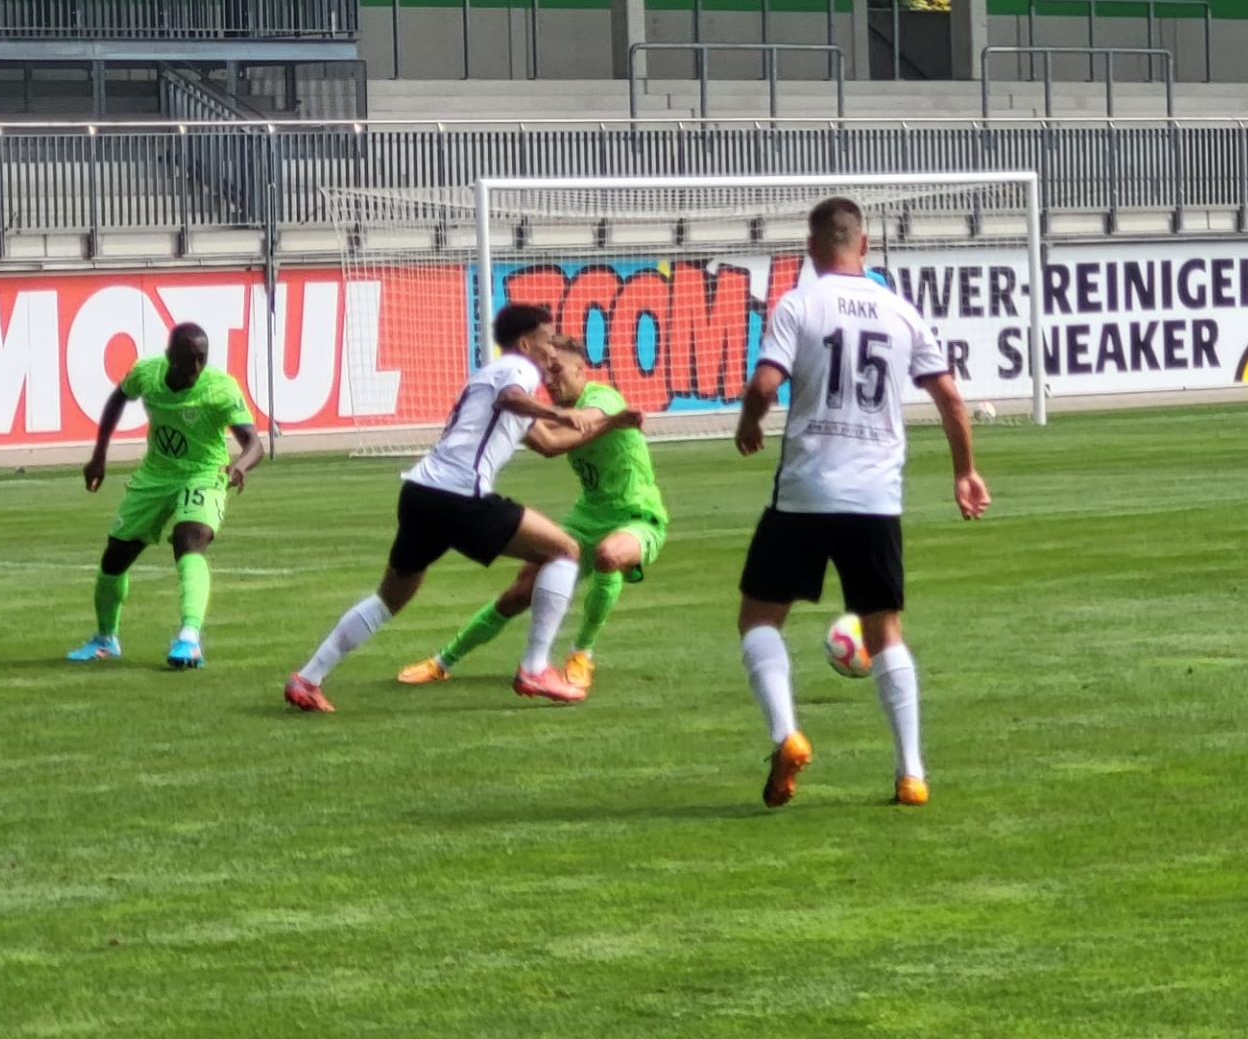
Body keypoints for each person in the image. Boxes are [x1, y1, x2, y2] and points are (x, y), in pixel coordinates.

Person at [733, 197, 991, 808]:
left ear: (811, 247)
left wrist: (749, 422)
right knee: (885, 629)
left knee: (759, 620)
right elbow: (951, 400)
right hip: (876, 497)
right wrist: (965, 472)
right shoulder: (901, 312)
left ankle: (787, 735)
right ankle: (911, 773)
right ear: (864, 245)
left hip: (806, 492)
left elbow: (765, 383)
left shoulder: (800, 303)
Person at [283, 304, 640, 713]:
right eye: (546, 340)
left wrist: (610, 422)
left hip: (421, 492)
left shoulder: (485, 376)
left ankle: (308, 677)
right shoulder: (519, 370)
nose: (552, 351)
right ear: (525, 344)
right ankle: (535, 668)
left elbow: (548, 444)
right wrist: (558, 410)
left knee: (388, 599)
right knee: (564, 550)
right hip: (459, 494)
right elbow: (512, 399)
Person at [397, 334, 668, 694]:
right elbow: (547, 435)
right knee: (519, 593)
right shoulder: (558, 413)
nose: (550, 380)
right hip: (587, 517)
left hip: (637, 515)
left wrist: (526, 421)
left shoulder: (602, 398)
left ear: (580, 369)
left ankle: (581, 654)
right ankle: (443, 661)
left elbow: (584, 421)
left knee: (609, 555)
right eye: (547, 373)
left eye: (558, 371)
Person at [67, 322, 262, 670]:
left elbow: (254, 443)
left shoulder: (220, 387)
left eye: (202, 358)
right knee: (115, 558)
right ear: (170, 355)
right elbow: (118, 399)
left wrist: (240, 465)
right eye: (189, 359)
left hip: (204, 474)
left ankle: (189, 637)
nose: (196, 367)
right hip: (156, 474)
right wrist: (99, 456)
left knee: (190, 540)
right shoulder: (148, 373)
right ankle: (105, 639)